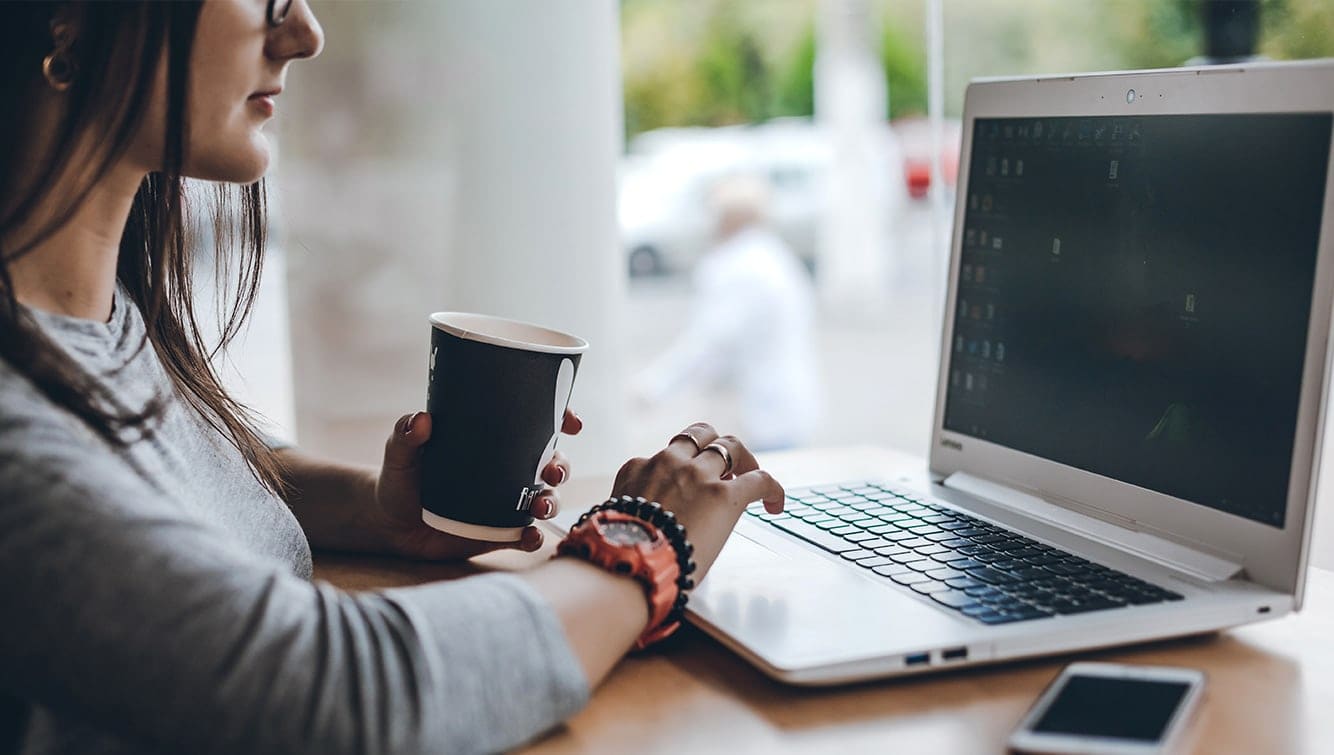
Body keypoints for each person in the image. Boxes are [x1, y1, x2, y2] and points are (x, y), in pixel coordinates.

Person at [0, 2, 784, 754]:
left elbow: (154, 487)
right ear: (70, 15)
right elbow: (340, 691)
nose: (304, 33)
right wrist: (640, 544)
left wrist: (377, 511)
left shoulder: (97, 318)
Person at [635, 174, 822, 451]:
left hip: (757, 414)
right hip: (787, 406)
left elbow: (711, 341)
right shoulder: (775, 257)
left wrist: (653, 387)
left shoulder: (736, 268)